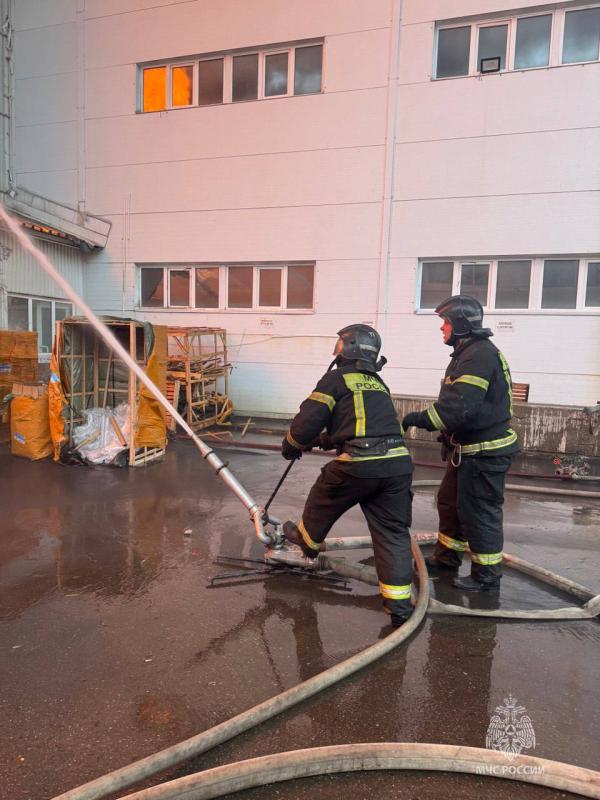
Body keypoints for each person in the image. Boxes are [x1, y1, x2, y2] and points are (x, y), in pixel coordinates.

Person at [281, 324, 414, 629]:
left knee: (324, 494)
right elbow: (361, 423)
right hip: (397, 465)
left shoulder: (336, 379)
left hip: (360, 464)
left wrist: (293, 444)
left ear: (348, 347)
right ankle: (399, 607)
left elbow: (308, 420)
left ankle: (308, 540)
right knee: (392, 534)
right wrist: (324, 441)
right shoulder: (377, 382)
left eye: (339, 345)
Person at [402, 295, 518, 592]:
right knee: (451, 504)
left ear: (461, 324)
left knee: (479, 511)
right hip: (467, 451)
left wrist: (415, 418)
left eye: (446, 322)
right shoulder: (470, 353)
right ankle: (447, 559)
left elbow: (457, 407)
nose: (442, 328)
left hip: (484, 453)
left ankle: (486, 575)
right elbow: (465, 408)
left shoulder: (478, 355)